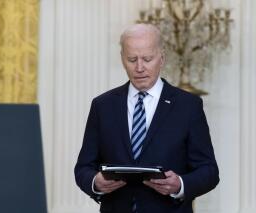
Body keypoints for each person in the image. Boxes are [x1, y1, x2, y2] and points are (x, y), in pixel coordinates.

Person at [74, 24, 219, 213]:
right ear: (122, 59)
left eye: (147, 59)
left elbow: (209, 171)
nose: (139, 67)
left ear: (162, 58)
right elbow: (84, 167)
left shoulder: (188, 106)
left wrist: (180, 185)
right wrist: (95, 182)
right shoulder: (102, 106)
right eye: (132, 59)